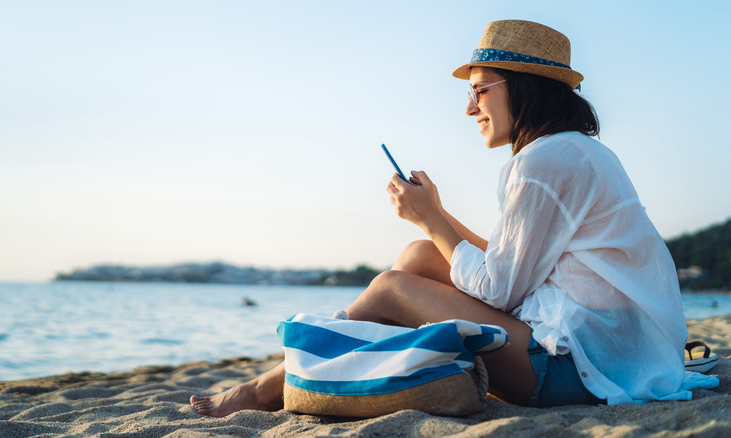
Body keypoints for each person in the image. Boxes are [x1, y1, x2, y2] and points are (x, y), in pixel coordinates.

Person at [190, 19, 698, 415]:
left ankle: (265, 388)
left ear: (522, 86)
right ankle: (330, 364)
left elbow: (503, 290)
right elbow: (517, 268)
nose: (469, 108)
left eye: (479, 90)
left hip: (581, 370)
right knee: (417, 254)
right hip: (617, 352)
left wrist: (430, 218)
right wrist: (433, 218)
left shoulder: (541, 163)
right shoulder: (574, 152)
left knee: (391, 287)